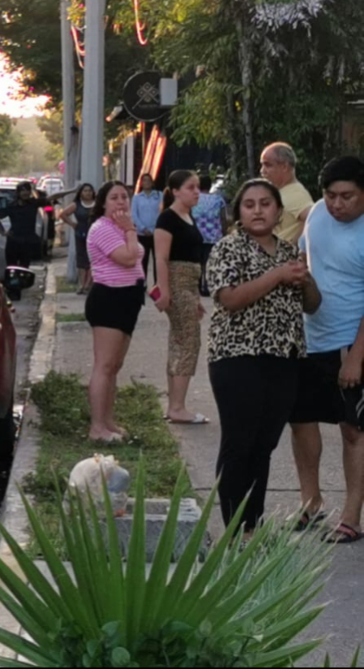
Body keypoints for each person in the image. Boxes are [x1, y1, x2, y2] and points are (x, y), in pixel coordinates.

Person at [208, 180, 320, 535]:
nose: (258, 210)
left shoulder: (290, 251)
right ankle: (233, 531)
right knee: (239, 442)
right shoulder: (229, 248)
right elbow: (230, 299)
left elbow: (313, 305)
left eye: (266, 204)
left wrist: (304, 281)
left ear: (278, 211)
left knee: (264, 445)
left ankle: (252, 528)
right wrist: (277, 276)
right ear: (239, 212)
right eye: (249, 205)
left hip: (283, 357)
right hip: (237, 356)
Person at [288, 156, 364, 544]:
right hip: (308, 337)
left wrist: (356, 356)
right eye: (331, 195)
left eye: (347, 196)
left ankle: (351, 516)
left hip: (351, 341)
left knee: (352, 429)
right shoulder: (316, 214)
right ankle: (310, 503)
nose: (337, 204)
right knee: (301, 421)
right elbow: (304, 260)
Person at [85, 182, 146, 443]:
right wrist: (131, 230)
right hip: (109, 298)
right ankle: (97, 426)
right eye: (114, 198)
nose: (121, 202)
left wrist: (128, 230)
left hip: (129, 298)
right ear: (103, 203)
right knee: (105, 364)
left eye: (124, 197)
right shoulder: (103, 228)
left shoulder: (119, 228)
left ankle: (108, 421)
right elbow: (129, 257)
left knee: (115, 366)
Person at [154, 170, 209, 425]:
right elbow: (162, 258)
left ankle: (175, 404)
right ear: (175, 190)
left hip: (189, 284)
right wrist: (164, 290)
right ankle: (177, 407)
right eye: (190, 187)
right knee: (188, 342)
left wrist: (196, 297)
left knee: (180, 340)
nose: (196, 191)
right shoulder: (168, 219)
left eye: (198, 187)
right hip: (176, 282)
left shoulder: (189, 216)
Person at [260, 142, 315, 244]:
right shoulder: (283, 192)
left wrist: (293, 248)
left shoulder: (296, 194)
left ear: (284, 167)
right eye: (262, 165)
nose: (262, 171)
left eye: (268, 165)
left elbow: (314, 220)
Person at [60, 183, 98, 295]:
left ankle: (88, 284)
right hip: (80, 233)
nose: (88, 193)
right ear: (81, 193)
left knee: (93, 259)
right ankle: (82, 284)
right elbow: (63, 214)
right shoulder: (76, 204)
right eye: (85, 191)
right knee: (81, 260)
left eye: (90, 191)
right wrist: (72, 224)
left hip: (95, 234)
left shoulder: (97, 205)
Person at [194, 174, 228, 296]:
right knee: (209, 263)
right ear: (210, 186)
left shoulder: (194, 198)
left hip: (196, 236)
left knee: (197, 263)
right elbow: (223, 218)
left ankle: (197, 286)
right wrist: (224, 232)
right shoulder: (218, 200)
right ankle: (207, 287)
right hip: (213, 237)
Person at [0, 182, 44, 268]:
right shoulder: (12, 206)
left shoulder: (33, 204)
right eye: (23, 190)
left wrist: (71, 191)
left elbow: (51, 198)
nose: (25, 193)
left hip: (27, 242)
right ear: (18, 192)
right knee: (12, 268)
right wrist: (2, 231)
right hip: (13, 242)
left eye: (28, 190)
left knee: (24, 268)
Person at [132, 173, 163, 284]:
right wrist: (143, 228)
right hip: (142, 233)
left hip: (157, 232)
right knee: (142, 259)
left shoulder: (159, 195)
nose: (147, 182)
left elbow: (162, 212)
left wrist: (156, 228)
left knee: (158, 259)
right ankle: (142, 283)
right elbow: (134, 215)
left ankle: (158, 283)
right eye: (144, 180)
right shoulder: (137, 198)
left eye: (149, 180)